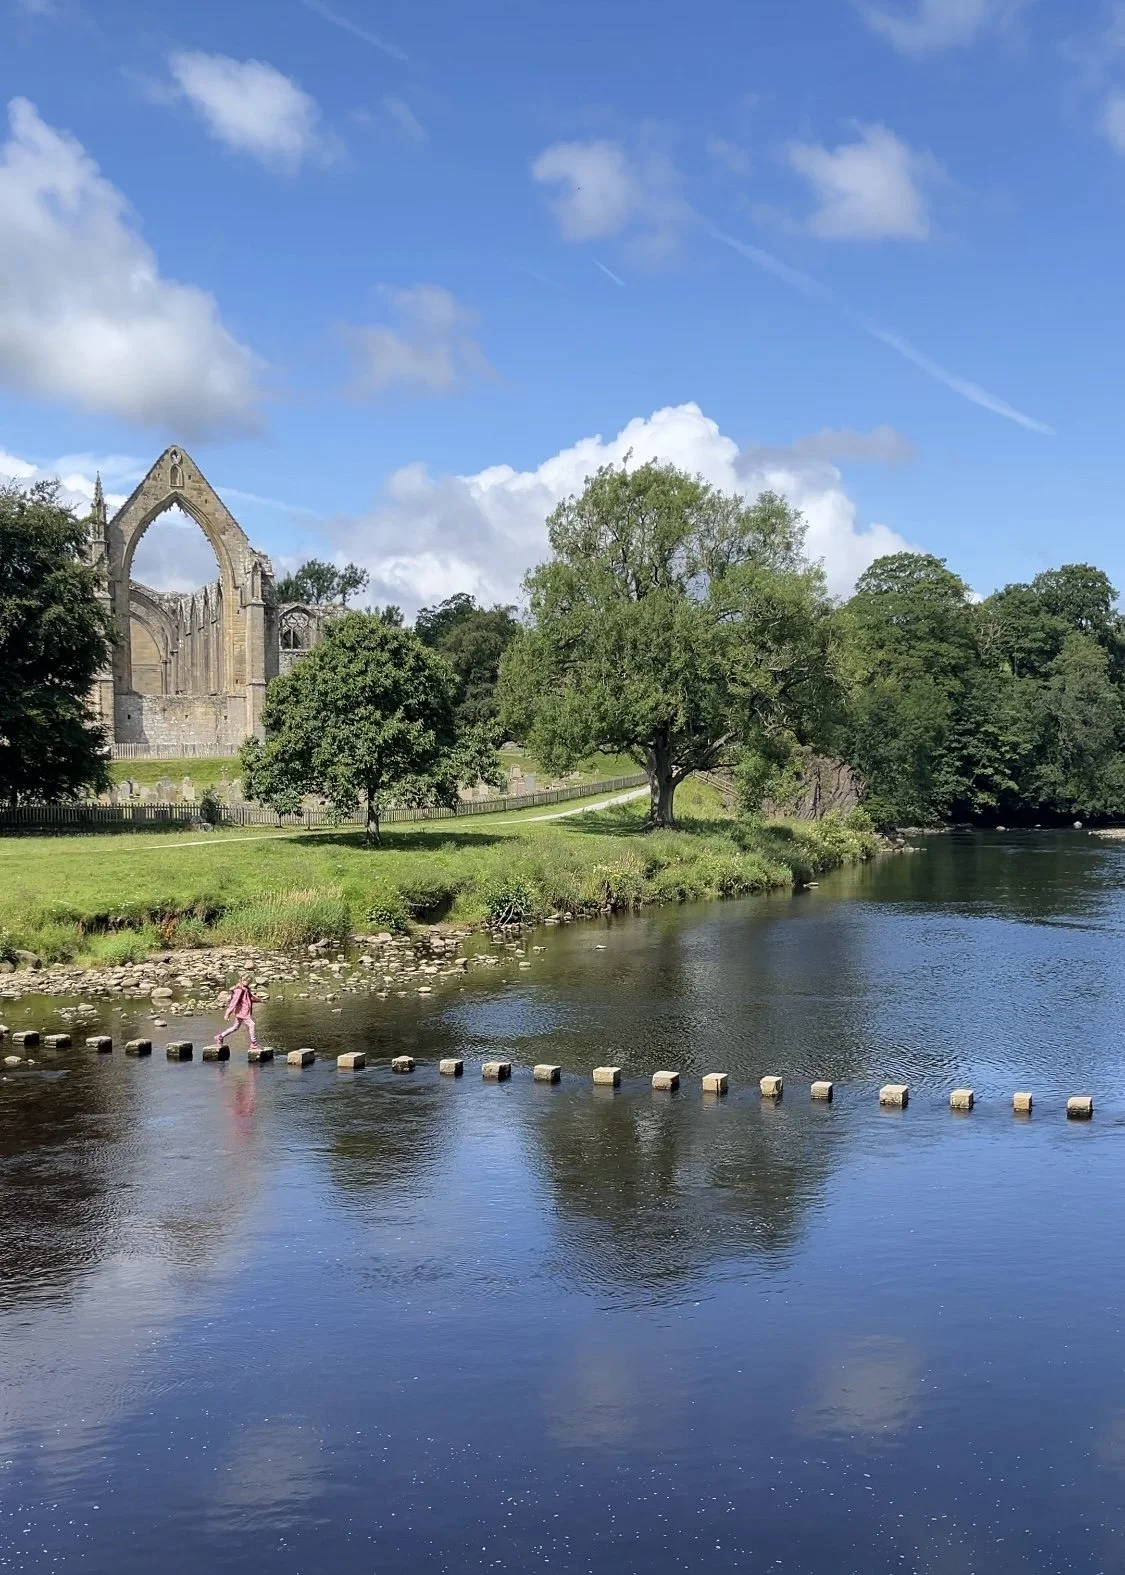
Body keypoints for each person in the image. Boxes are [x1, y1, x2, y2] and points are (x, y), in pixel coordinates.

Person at [215, 975, 260, 1051]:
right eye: (245, 980)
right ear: (241, 980)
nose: (247, 982)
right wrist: (228, 1013)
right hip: (242, 1012)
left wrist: (258, 1000)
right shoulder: (239, 990)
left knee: (235, 1027)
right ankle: (253, 1043)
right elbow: (234, 1002)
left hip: (243, 1011)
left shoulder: (246, 988)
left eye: (249, 981)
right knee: (252, 1024)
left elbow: (249, 998)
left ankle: (220, 1036)